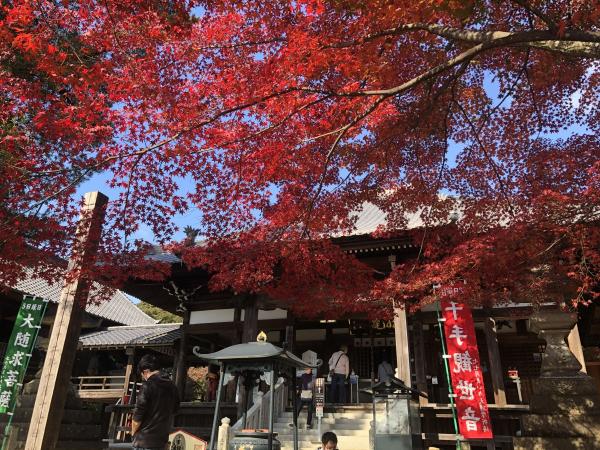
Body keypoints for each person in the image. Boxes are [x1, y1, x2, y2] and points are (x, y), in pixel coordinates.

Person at [131, 354, 180, 450]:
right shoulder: (173, 387)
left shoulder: (147, 386)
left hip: (144, 441)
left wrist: (133, 433)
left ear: (145, 371)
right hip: (162, 442)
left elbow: (138, 416)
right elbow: (175, 410)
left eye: (142, 375)